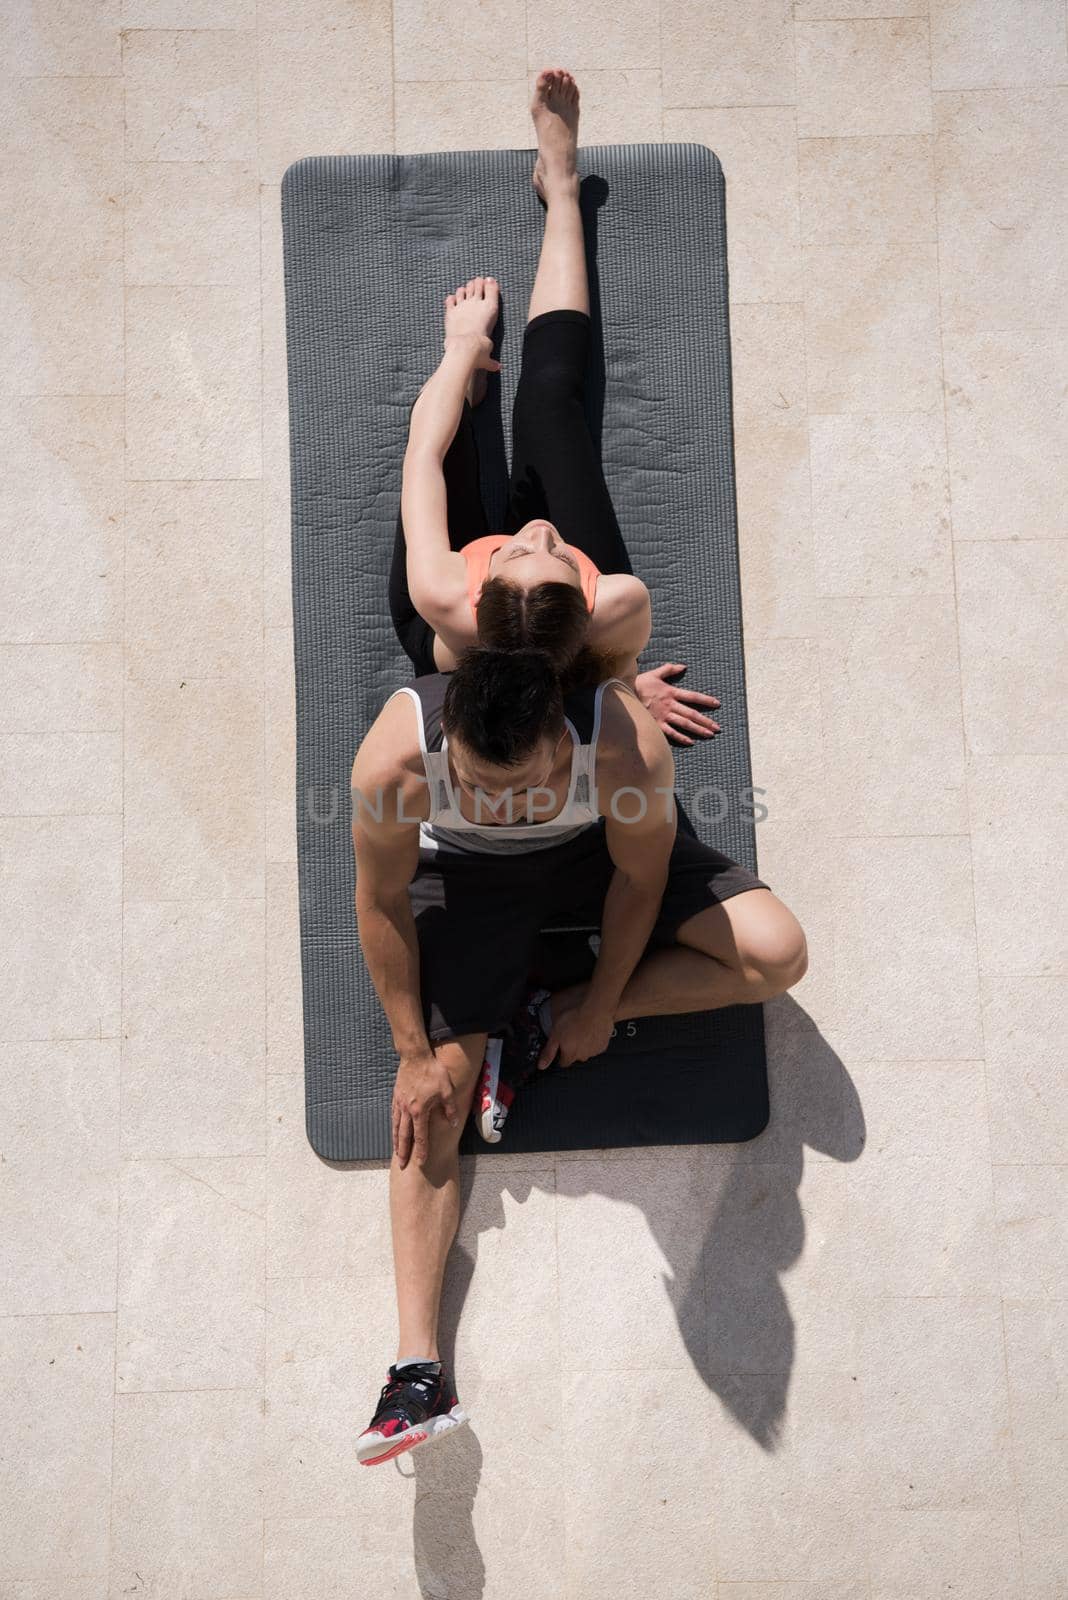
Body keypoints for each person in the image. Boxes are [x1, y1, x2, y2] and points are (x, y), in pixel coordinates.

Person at [351, 67, 808, 1470]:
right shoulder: (424, 666)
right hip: (482, 850)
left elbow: (633, 879)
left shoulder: (604, 659)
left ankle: (562, 189)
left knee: (555, 415)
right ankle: (417, 1368)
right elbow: (378, 906)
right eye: (528, 547)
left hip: (588, 703)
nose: (536, 538)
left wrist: (603, 1000)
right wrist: (415, 1044)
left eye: (551, 543)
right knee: (425, 1101)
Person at [389, 66, 721, 748]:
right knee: (548, 403)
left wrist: (459, 350)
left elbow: (418, 453)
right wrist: (625, 691)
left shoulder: (442, 593)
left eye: (517, 549)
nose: (541, 528)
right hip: (556, 657)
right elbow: (610, 661)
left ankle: (472, 387)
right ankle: (564, 193)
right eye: (564, 557)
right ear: (585, 600)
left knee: (447, 440)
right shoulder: (618, 600)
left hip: (459, 644)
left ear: (478, 588)